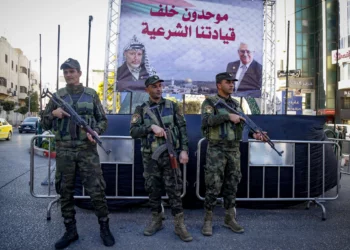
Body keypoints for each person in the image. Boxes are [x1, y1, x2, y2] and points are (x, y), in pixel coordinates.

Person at [41, 58, 115, 249]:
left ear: (80, 73)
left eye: (72, 71)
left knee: (96, 189)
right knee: (65, 191)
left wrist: (96, 131)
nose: (69, 75)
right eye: (65, 72)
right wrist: (52, 114)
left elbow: (103, 120)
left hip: (86, 150)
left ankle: (104, 228)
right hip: (64, 150)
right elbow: (44, 123)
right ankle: (70, 231)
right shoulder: (57, 96)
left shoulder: (91, 95)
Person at [200, 72, 267, 236]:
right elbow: (207, 121)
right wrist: (227, 116)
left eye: (232, 82)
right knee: (213, 186)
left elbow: (243, 126)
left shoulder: (237, 105)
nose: (231, 84)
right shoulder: (210, 102)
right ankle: (207, 221)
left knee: (232, 185)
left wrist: (255, 135)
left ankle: (230, 218)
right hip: (216, 149)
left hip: (233, 150)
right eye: (227, 82)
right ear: (219, 85)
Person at [130, 75, 192, 242]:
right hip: (150, 157)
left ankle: (179, 225)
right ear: (147, 89)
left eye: (160, 86)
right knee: (153, 189)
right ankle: (157, 219)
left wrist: (184, 150)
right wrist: (150, 127)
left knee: (174, 190)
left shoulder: (172, 106)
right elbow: (133, 132)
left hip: (170, 154)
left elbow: (182, 129)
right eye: (154, 86)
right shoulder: (141, 109)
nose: (158, 88)